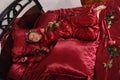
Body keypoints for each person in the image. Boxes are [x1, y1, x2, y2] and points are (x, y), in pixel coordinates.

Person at [7, 5, 107, 80]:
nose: (34, 37)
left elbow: (53, 19)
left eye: (33, 35)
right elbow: (40, 55)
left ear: (35, 31)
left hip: (67, 23)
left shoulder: (43, 29)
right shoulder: (42, 45)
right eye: (32, 39)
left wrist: (52, 24)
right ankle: (95, 18)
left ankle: (95, 12)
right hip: (69, 33)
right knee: (92, 35)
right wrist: (26, 59)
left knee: (88, 21)